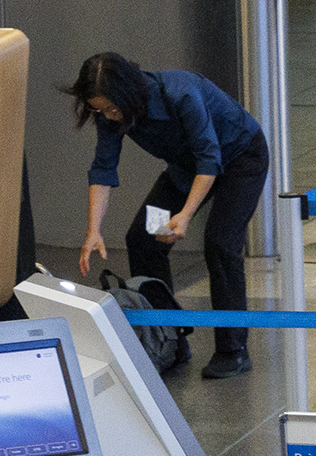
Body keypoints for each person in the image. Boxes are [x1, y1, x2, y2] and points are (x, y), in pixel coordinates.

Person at [66, 52, 272, 380]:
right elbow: (103, 168)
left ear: (128, 92)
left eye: (111, 107)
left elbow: (210, 159)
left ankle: (234, 350)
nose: (108, 115)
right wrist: (94, 229)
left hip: (240, 159)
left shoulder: (181, 93)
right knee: (143, 240)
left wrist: (185, 215)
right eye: (100, 109)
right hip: (185, 171)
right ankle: (169, 342)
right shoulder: (109, 115)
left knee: (221, 243)